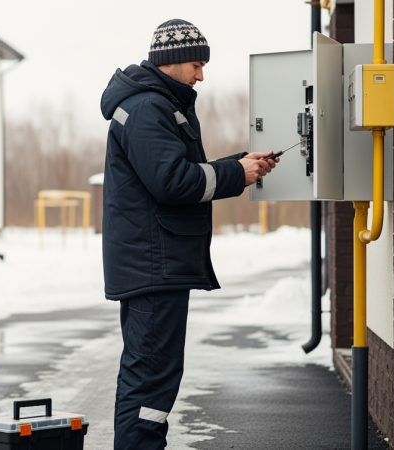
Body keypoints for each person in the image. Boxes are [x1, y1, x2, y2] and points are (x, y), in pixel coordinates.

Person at [99, 19, 279, 449]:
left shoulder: (158, 104)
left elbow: (178, 173)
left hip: (155, 263)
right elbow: (172, 182)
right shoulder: (147, 108)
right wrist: (237, 172)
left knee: (152, 377)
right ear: (172, 61)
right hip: (154, 266)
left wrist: (241, 164)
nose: (202, 75)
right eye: (197, 64)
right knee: (150, 380)